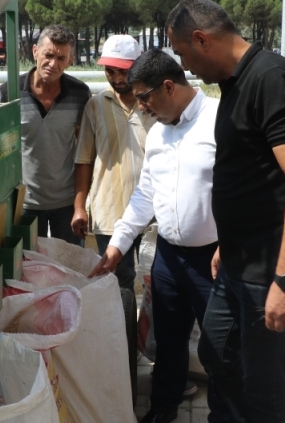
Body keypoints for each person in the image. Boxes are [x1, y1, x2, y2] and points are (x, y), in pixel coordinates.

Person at [165, 0, 285, 422]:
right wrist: (228, 243)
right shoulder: (235, 85)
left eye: (183, 53)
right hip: (240, 260)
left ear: (201, 39)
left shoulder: (272, 78)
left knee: (263, 385)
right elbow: (251, 176)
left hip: (273, 271)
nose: (184, 67)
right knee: (215, 353)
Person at [88, 49, 232, 423]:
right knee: (167, 340)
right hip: (169, 256)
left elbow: (244, 192)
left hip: (214, 259)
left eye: (144, 97)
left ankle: (225, 414)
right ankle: (163, 409)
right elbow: (145, 194)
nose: (142, 107)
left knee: (220, 348)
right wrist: (118, 245)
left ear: (169, 86)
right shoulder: (158, 134)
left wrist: (232, 243)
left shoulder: (221, 120)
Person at [0, 25, 91, 246]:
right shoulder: (8, 92)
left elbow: (83, 152)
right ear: (35, 51)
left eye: (61, 58)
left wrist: (80, 206)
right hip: (23, 204)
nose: (53, 64)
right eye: (48, 55)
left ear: (71, 60)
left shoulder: (80, 93)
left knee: (69, 268)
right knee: (25, 271)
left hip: (66, 204)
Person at [72, 35, 154, 292]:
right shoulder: (95, 106)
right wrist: (79, 207)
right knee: (119, 282)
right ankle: (125, 332)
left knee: (157, 281)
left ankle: (150, 333)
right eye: (110, 71)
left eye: (124, 71)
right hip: (110, 213)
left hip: (155, 214)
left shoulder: (156, 102)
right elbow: (84, 159)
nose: (117, 78)